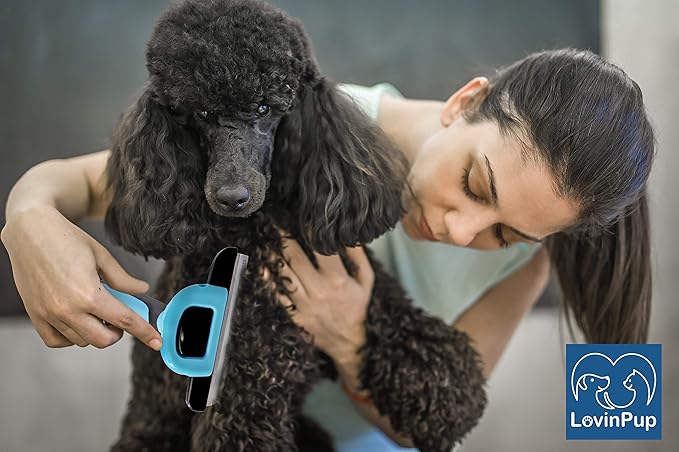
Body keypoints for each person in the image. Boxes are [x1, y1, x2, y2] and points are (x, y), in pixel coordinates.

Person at [1, 49, 654, 450]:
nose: (461, 233)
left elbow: (431, 423)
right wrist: (27, 215)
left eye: (504, 233)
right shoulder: (309, 123)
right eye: (473, 185)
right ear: (466, 102)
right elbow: (78, 183)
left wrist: (349, 337)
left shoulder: (528, 261)